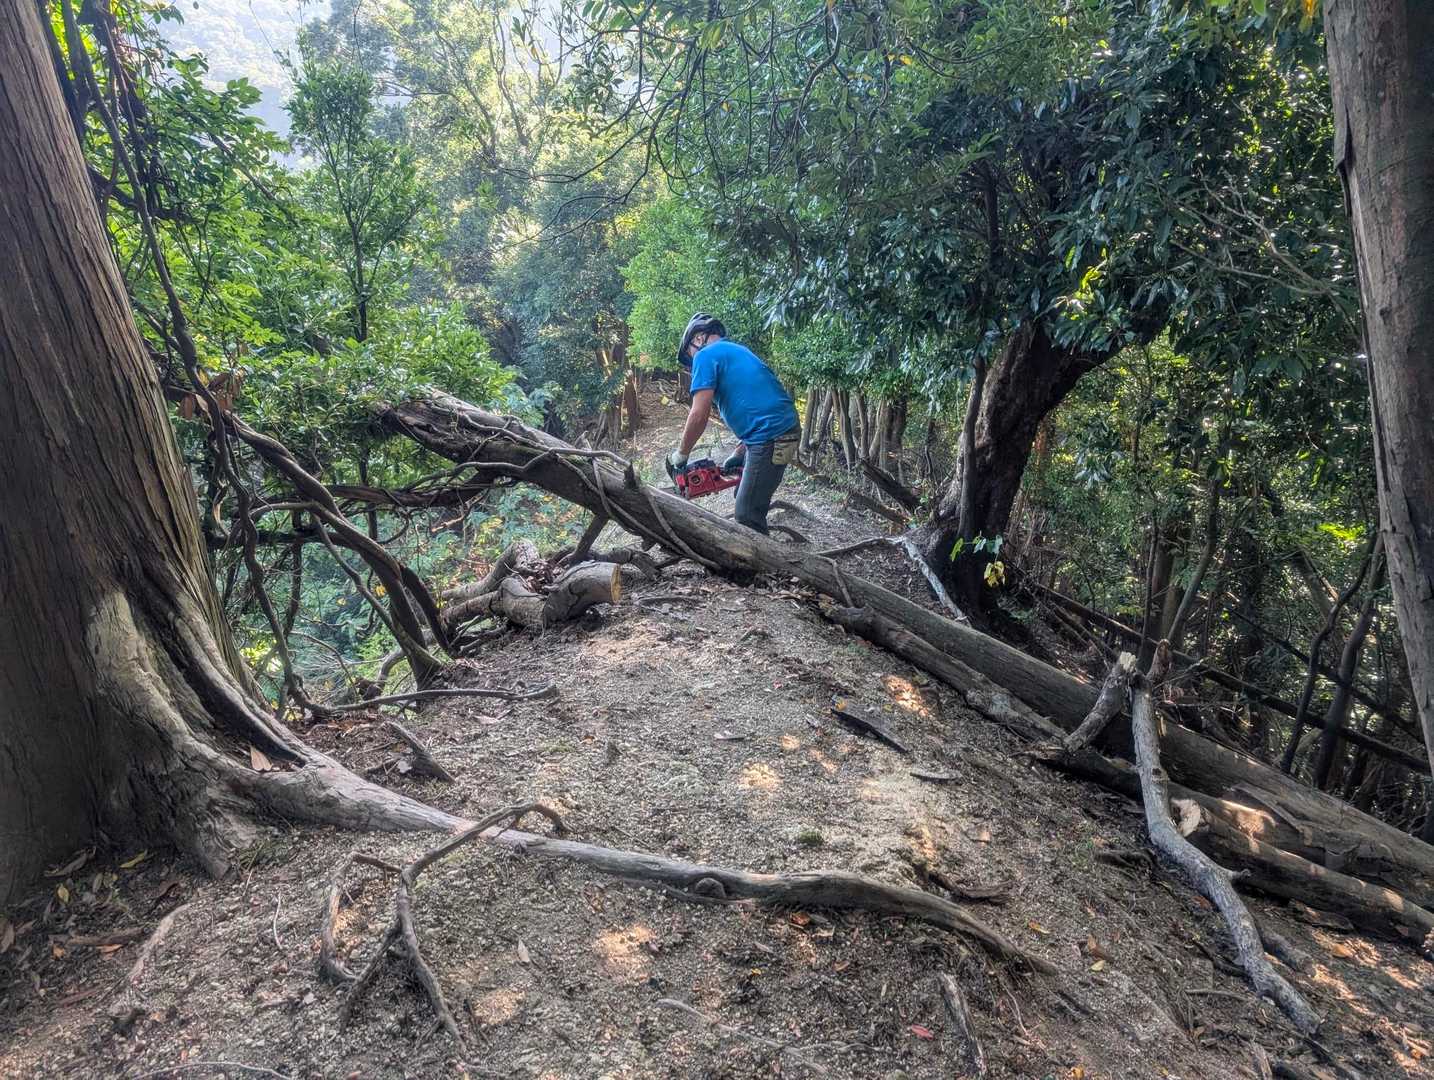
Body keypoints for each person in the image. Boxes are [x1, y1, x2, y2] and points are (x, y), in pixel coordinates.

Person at [667, 313, 800, 534]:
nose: (692, 362)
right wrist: (740, 451)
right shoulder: (738, 351)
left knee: (747, 515)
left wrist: (681, 455)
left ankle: (760, 555)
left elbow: (699, 414)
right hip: (781, 429)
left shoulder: (705, 355)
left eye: (690, 354)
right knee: (745, 496)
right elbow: (760, 403)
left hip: (770, 436)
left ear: (698, 338)